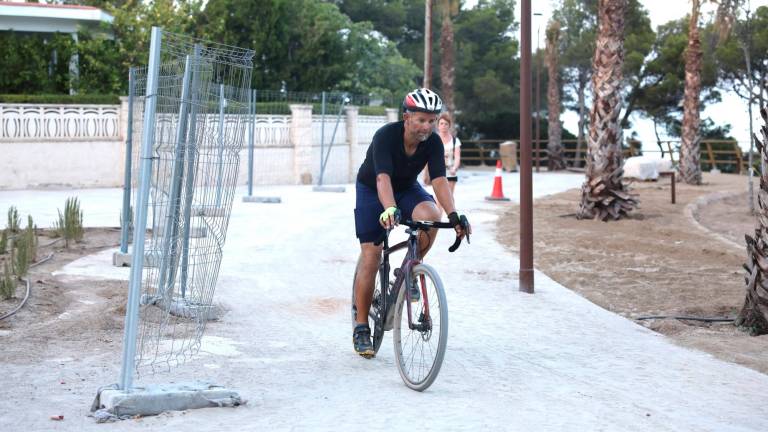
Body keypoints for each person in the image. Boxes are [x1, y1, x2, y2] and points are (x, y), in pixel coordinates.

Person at [352, 88, 471, 358]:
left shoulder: (433, 143)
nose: (427, 127)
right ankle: (361, 325)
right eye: (421, 120)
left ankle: (410, 268)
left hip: (406, 188)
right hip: (373, 189)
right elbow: (382, 178)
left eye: (432, 121)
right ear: (406, 117)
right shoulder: (385, 136)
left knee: (432, 216)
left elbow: (439, 180)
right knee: (371, 255)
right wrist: (390, 208)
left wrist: (453, 215)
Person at [425, 112, 461, 214]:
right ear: (438, 125)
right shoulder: (433, 139)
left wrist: (455, 168)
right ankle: (438, 219)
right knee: (439, 197)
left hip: (450, 171)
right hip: (437, 171)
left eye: (446, 124)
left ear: (449, 126)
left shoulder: (455, 141)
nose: (443, 126)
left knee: (449, 196)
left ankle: (452, 217)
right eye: (441, 124)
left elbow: (457, 156)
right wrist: (426, 171)